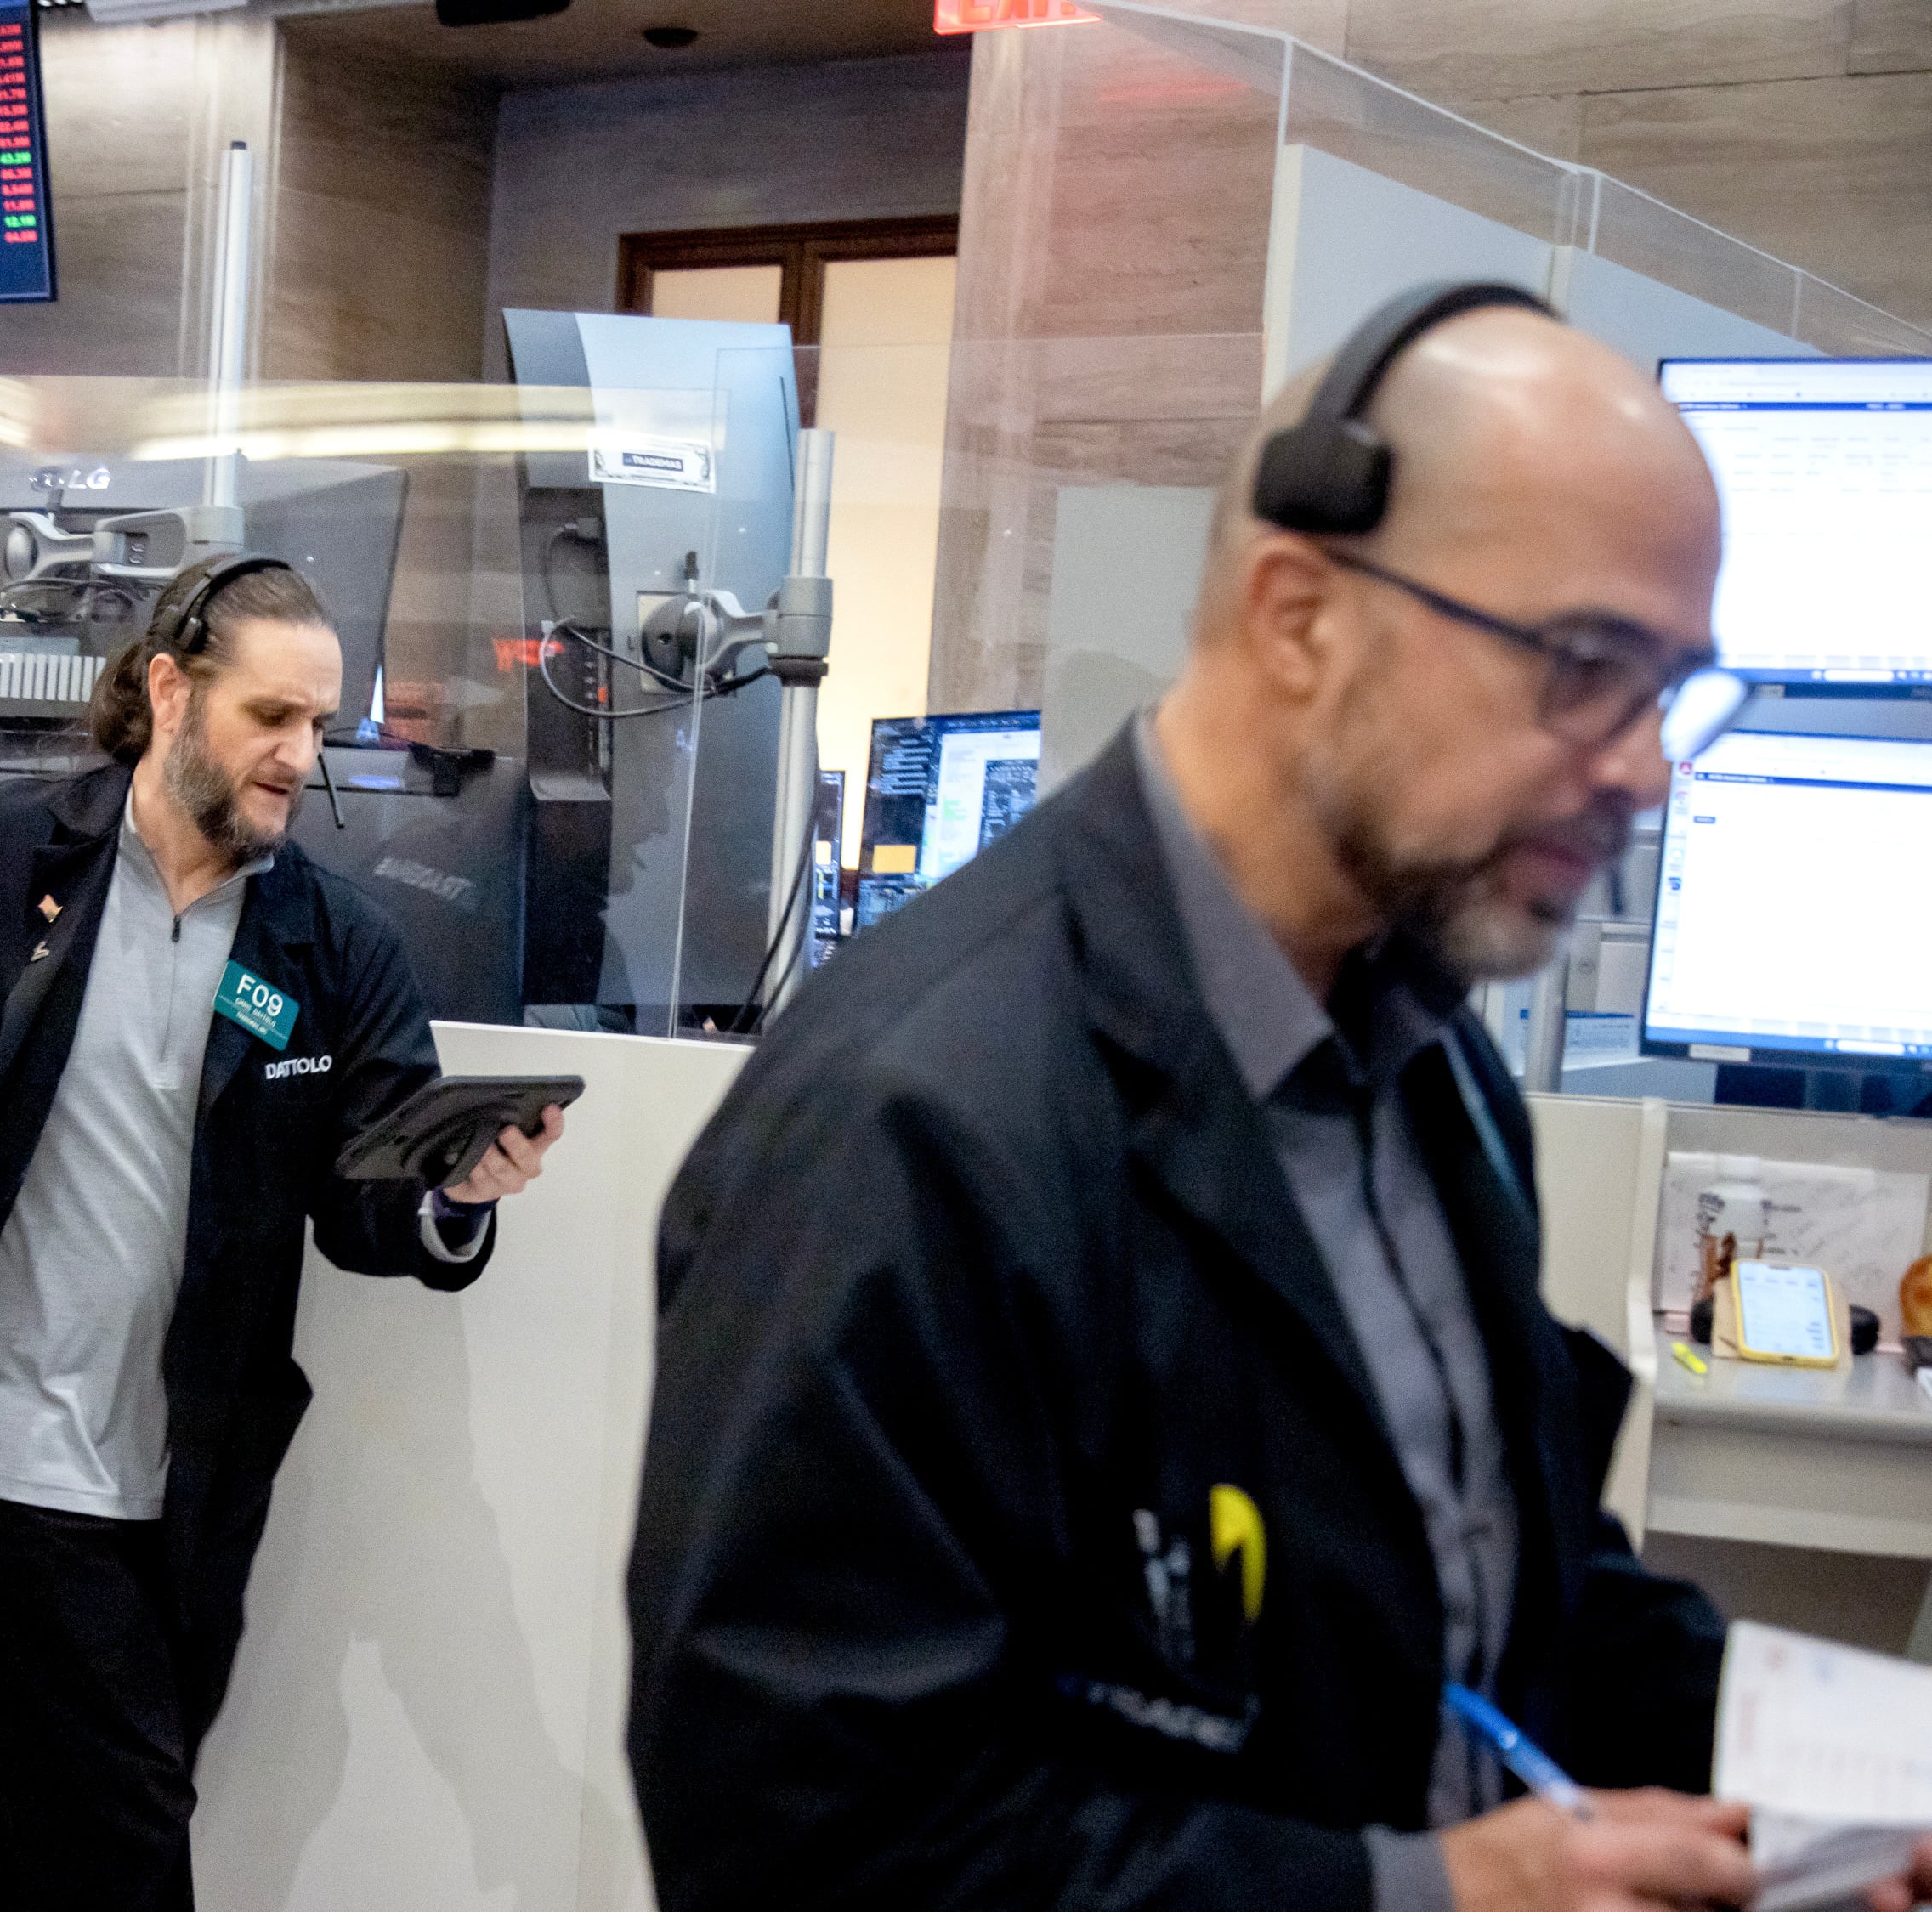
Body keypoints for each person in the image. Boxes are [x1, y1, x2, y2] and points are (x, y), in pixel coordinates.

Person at [626, 284, 1932, 1912]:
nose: (1648, 768)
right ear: (1302, 617)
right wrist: (1432, 1898)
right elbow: (804, 1850)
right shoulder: (915, 1123)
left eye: (1674, 689)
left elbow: (1492, 1584)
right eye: (1589, 666)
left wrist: (1849, 1772)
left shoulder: (1428, 1063)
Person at [0, 555, 563, 1912]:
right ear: (170, 690)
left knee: (104, 1795)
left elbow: (365, 1196)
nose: (300, 755)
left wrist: (456, 1192)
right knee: (126, 1828)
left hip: (190, 1462)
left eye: (319, 724)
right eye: (271, 714)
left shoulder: (332, 945)